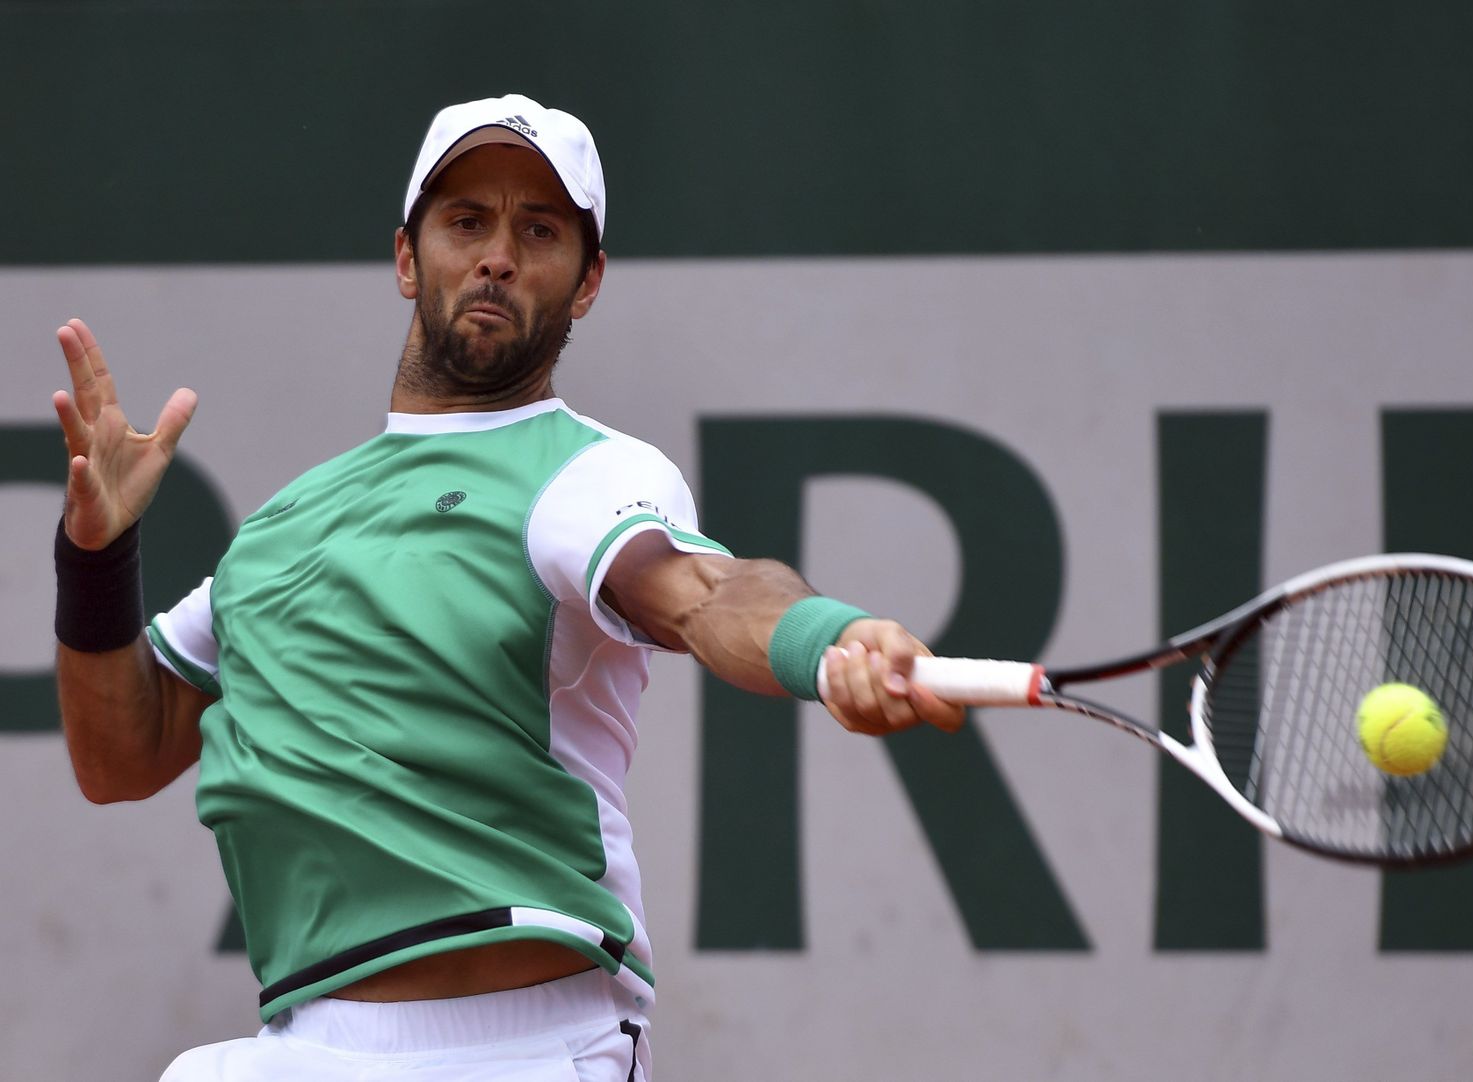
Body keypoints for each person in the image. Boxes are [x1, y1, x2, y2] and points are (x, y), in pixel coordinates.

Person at [50, 94, 964, 1081]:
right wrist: (96, 556)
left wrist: (828, 641)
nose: (498, 255)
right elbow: (119, 755)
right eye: (466, 222)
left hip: (524, 1046)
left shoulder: (589, 475)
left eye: (539, 230)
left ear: (587, 280)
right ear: (407, 258)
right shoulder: (275, 534)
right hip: (300, 1046)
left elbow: (705, 590)